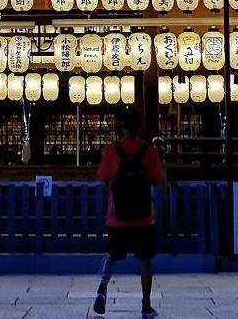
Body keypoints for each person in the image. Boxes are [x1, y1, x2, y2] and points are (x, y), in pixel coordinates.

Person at [93, 107, 164, 319]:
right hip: (143, 217)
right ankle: (145, 303)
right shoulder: (149, 151)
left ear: (121, 126)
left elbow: (103, 176)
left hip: (117, 217)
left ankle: (103, 287)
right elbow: (157, 179)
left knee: (112, 255)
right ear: (139, 126)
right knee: (145, 259)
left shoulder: (112, 150)